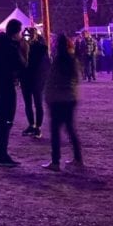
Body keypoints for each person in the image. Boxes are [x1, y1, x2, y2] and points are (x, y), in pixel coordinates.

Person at [43, 33, 83, 171]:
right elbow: (77, 79)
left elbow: (52, 80)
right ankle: (78, 158)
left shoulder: (57, 61)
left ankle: (55, 161)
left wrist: (48, 96)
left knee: (55, 131)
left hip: (57, 99)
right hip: (70, 98)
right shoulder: (72, 60)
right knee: (70, 129)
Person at [0, 19, 27, 167]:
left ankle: (0, 153)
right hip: (7, 84)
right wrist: (20, 47)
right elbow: (22, 64)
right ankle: (2, 155)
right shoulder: (11, 47)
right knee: (6, 120)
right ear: (16, 32)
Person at [20, 31, 50, 139]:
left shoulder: (41, 48)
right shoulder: (21, 46)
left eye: (28, 36)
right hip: (25, 79)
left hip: (37, 79)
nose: (27, 38)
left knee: (38, 103)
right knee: (28, 103)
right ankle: (31, 125)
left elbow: (46, 65)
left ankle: (38, 127)